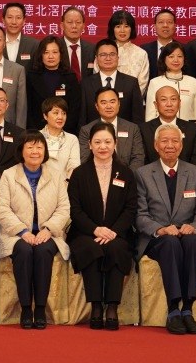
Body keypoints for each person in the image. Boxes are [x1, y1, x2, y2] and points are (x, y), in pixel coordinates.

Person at [134, 122, 196, 335]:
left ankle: (188, 309)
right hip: (157, 238)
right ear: (156, 145)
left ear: (181, 145)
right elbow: (140, 214)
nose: (170, 145)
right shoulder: (143, 174)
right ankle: (173, 309)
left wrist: (194, 227)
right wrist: (160, 229)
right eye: (165, 141)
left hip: (187, 233)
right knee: (170, 243)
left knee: (193, 241)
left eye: (175, 141)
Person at [0, 131, 70, 329]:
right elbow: (1, 208)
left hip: (48, 233)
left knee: (43, 251)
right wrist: (22, 231)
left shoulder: (56, 175)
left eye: (39, 147)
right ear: (21, 151)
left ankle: (41, 308)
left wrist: (48, 229)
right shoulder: (9, 175)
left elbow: (64, 208)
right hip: (15, 234)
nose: (35, 151)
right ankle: (26, 308)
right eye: (30, 147)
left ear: (45, 151)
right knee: (24, 250)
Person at [67, 122, 137, 330]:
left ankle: (112, 307)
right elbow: (74, 209)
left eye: (107, 142)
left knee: (116, 248)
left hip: (118, 233)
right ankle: (96, 305)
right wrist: (95, 229)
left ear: (115, 144)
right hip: (86, 232)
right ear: (89, 145)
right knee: (91, 247)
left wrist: (114, 231)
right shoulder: (79, 173)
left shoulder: (126, 173)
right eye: (97, 142)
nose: (103, 146)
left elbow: (131, 209)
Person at [81, 38, 144, 126]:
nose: (108, 58)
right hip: (94, 132)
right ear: (96, 58)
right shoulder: (86, 84)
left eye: (112, 54)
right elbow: (82, 116)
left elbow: (138, 117)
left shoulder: (131, 83)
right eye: (103, 55)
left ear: (118, 57)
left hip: (124, 133)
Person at [26, 36, 83, 132]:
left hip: (65, 131)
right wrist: (36, 132)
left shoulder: (70, 77)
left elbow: (75, 109)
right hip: (38, 131)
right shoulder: (32, 76)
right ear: (41, 55)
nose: (50, 56)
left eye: (55, 52)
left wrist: (62, 130)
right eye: (46, 52)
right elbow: (28, 108)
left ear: (61, 54)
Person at [78, 88, 145, 170]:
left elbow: (138, 158)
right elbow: (85, 160)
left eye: (112, 102)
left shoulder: (132, 128)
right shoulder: (86, 131)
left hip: (127, 175)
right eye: (103, 103)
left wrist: (126, 176)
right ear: (96, 106)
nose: (108, 106)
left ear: (119, 104)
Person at [144, 42, 196, 127]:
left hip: (189, 131)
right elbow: (150, 115)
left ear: (184, 59)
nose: (176, 60)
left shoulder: (193, 82)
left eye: (179, 56)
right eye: (171, 56)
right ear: (164, 59)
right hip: (163, 131)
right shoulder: (155, 82)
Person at [142, 85, 196, 165]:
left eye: (173, 99)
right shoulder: (144, 130)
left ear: (179, 103)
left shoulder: (193, 129)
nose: (169, 104)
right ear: (156, 105)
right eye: (163, 99)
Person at [108, 10, 149, 95]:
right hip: (106, 100)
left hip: (133, 101)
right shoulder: (104, 51)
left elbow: (142, 83)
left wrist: (128, 99)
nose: (122, 30)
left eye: (126, 26)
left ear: (132, 29)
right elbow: (98, 78)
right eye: (118, 26)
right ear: (112, 29)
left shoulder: (141, 53)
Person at [40, 96, 80, 180]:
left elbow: (74, 166)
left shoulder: (72, 139)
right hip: (39, 184)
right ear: (45, 116)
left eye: (63, 113)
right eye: (56, 113)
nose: (60, 117)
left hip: (64, 185)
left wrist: (66, 183)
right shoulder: (36, 137)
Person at [141, 8, 182, 80]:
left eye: (169, 22)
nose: (165, 25)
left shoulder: (184, 49)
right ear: (154, 27)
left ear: (175, 26)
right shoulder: (144, 50)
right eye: (161, 22)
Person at [60, 7, 95, 81]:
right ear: (62, 26)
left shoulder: (92, 49)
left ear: (83, 26)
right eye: (70, 22)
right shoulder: (56, 48)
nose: (74, 26)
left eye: (78, 22)